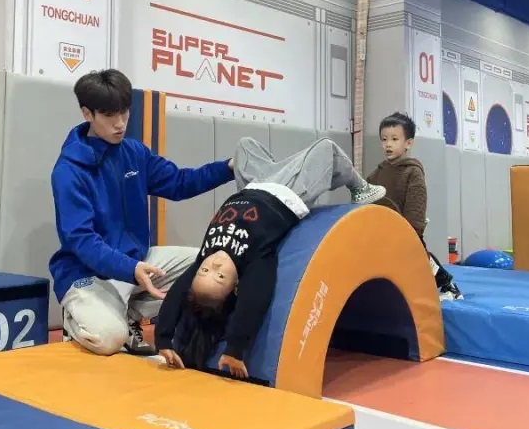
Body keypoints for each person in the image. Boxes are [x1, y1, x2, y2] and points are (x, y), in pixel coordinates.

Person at [154, 137, 385, 378]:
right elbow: (253, 300)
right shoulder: (255, 260)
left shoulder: (206, 254)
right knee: (326, 149)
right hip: (289, 193)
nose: (214, 264)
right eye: (220, 276)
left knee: (244, 145)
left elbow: (178, 292)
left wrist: (163, 339)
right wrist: (235, 349)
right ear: (235, 286)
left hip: (254, 185)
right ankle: (360, 187)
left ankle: (286, 167)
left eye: (204, 271)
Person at [50, 69, 236, 357]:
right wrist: (130, 268)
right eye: (109, 115)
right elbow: (81, 241)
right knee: (109, 339)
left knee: (208, 267)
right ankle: (76, 320)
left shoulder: (134, 152)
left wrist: (228, 168)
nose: (120, 123)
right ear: (87, 114)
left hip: (137, 261)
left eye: (124, 112)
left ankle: (128, 311)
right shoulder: (68, 171)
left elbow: (180, 182)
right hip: (88, 274)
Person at [367, 112, 463, 300]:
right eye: (384, 139)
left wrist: (413, 230)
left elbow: (417, 203)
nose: (388, 144)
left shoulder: (412, 172)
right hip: (384, 230)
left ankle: (448, 285)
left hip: (407, 230)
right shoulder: (376, 174)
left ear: (408, 143)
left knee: (421, 259)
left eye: (394, 139)